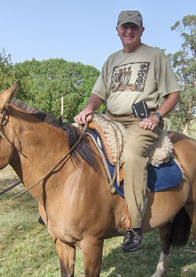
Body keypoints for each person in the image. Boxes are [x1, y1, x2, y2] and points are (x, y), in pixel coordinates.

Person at [74, 10, 180, 253]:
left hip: (142, 121)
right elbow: (99, 94)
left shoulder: (156, 56)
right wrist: (89, 108)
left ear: (142, 30)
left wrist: (156, 116)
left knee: (132, 156)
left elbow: (173, 93)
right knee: (75, 137)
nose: (129, 31)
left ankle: (134, 225)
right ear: (118, 30)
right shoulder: (111, 60)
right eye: (125, 27)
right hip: (111, 118)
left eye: (134, 27)